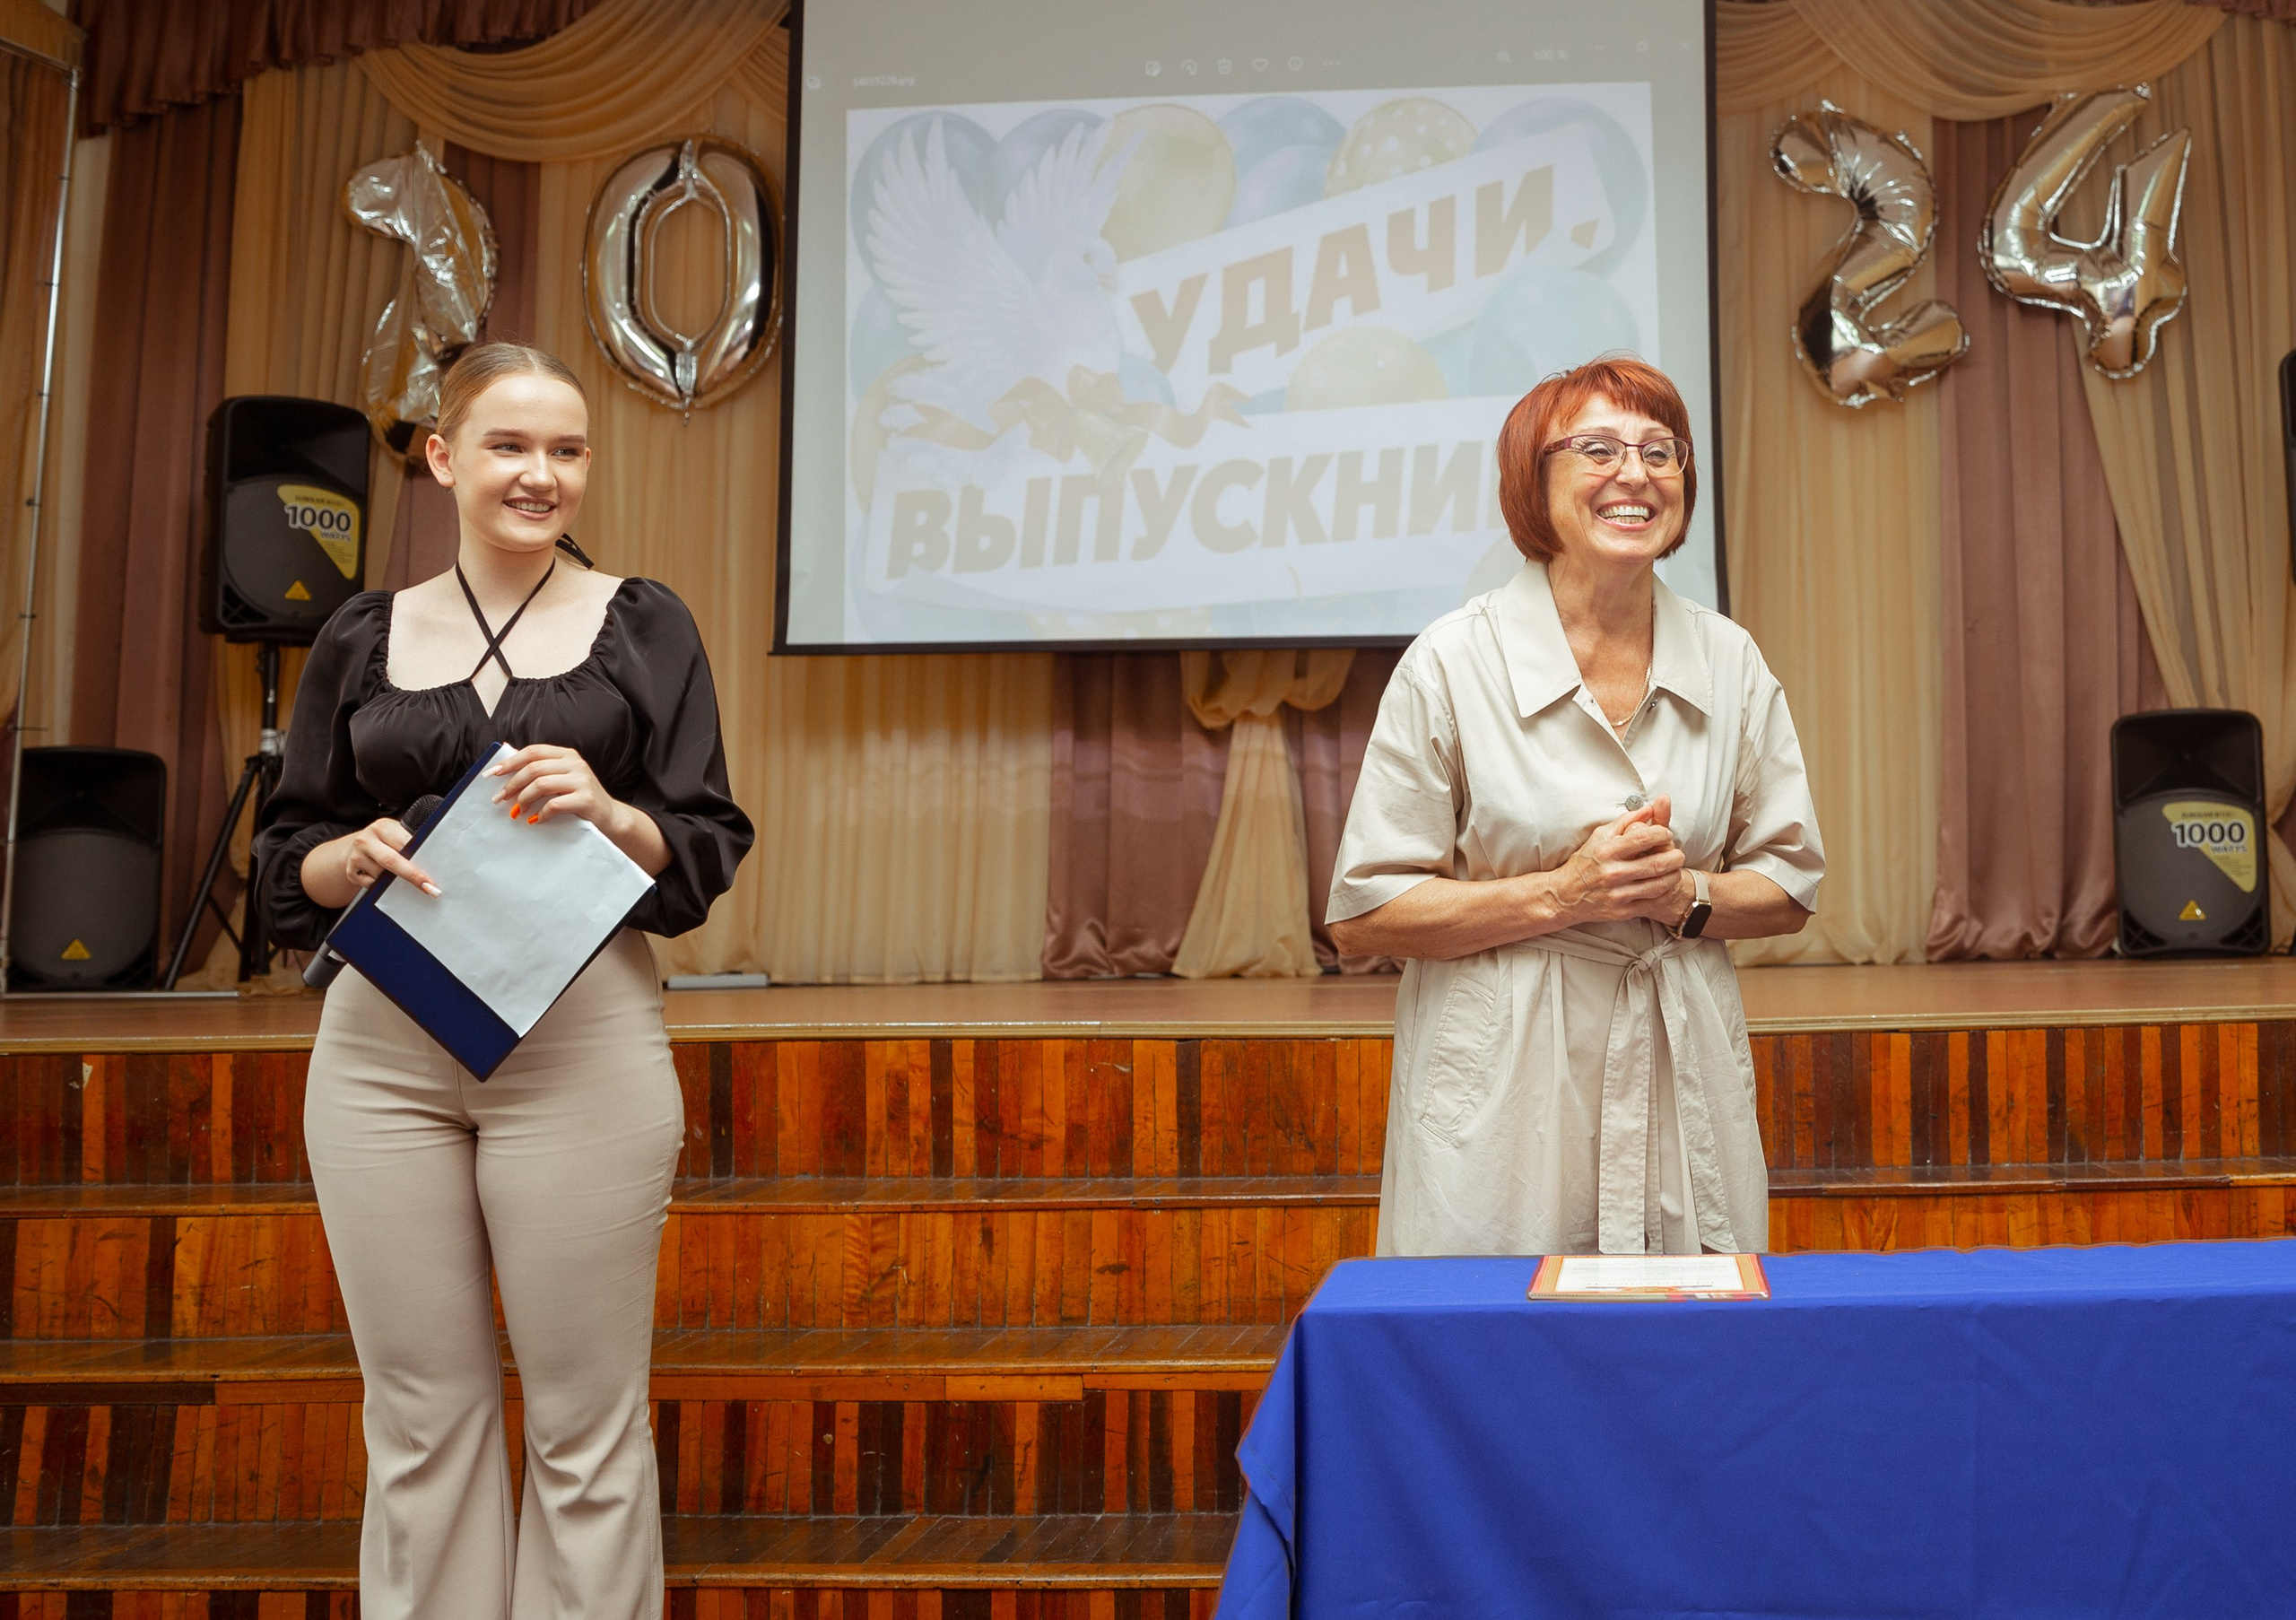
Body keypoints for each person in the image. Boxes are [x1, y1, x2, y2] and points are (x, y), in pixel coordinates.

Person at [254, 342, 753, 1619]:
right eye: (510, 446)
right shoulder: (360, 632)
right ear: (441, 456)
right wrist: (342, 860)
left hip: (580, 1046)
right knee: (422, 1420)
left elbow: (704, 842)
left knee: (585, 1431)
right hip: (381, 1053)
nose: (541, 474)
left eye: (568, 450)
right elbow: (282, 853)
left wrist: (611, 810)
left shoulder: (644, 622)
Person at [1327, 356, 1822, 1259]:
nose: (1634, 474)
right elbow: (1364, 913)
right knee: (1493, 1345)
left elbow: (1788, 885)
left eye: (1659, 452)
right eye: (1597, 448)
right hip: (1503, 1073)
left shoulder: (1729, 658)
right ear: (1532, 482)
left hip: (1682, 1058)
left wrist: (1687, 899)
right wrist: (1563, 895)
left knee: (1683, 1351)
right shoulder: (1450, 662)